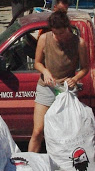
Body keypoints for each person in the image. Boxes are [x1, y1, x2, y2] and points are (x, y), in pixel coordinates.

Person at [29, 9, 89, 153]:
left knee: (67, 131)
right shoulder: (44, 39)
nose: (58, 37)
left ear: (68, 28)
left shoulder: (79, 43)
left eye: (61, 33)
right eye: (55, 33)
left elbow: (85, 68)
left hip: (66, 89)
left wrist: (75, 79)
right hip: (46, 86)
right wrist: (45, 71)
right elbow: (37, 63)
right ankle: (30, 162)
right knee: (38, 130)